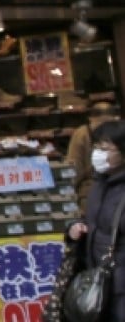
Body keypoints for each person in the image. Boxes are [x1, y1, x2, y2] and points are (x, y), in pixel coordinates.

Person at [65, 119, 125, 320]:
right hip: (99, 280)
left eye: (106, 149)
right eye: (97, 148)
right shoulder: (100, 183)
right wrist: (75, 228)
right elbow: (91, 218)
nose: (98, 154)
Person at [66, 102, 120, 211]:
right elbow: (74, 167)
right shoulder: (82, 134)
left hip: (107, 189)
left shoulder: (82, 133)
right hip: (93, 190)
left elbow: (74, 170)